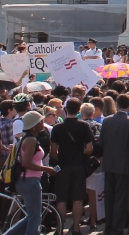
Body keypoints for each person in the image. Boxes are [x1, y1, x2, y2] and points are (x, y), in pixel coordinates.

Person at [6, 112, 57, 235]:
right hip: (30, 181)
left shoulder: (26, 138)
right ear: (34, 126)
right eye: (40, 122)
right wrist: (47, 169)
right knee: (35, 217)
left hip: (26, 180)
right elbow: (26, 163)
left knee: (32, 216)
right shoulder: (31, 140)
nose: (42, 124)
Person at [51, 98, 95, 235]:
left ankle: (60, 229)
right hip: (78, 165)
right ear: (78, 110)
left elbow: (53, 151)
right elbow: (89, 148)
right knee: (78, 198)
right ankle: (76, 228)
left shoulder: (57, 128)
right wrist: (81, 156)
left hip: (63, 166)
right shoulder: (84, 126)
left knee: (62, 199)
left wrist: (61, 158)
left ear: (66, 109)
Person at [102, 94, 129, 235]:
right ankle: (117, 228)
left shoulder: (106, 121)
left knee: (109, 196)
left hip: (108, 163)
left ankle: (109, 226)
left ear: (117, 104)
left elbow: (101, 142)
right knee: (120, 197)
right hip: (123, 163)